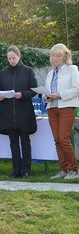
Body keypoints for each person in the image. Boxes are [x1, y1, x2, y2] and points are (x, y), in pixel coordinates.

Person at [0, 45, 37, 178]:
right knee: (13, 142)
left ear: (19, 56)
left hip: (24, 113)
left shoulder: (28, 71)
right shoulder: (3, 73)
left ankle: (26, 170)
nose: (12, 60)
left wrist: (22, 95)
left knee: (25, 141)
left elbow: (34, 90)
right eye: (9, 58)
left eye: (14, 58)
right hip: (8, 113)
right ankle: (16, 169)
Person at [45, 43, 79, 180]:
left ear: (65, 56)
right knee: (57, 140)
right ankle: (63, 169)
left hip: (66, 107)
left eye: (58, 55)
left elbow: (77, 89)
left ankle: (74, 170)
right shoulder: (50, 73)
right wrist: (45, 97)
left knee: (64, 139)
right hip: (52, 108)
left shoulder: (72, 69)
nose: (54, 58)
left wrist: (59, 95)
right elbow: (47, 91)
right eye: (53, 55)